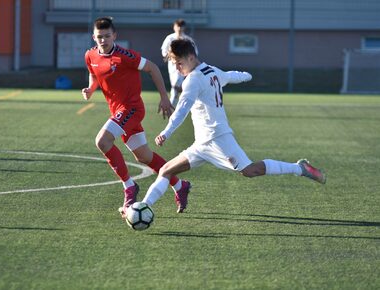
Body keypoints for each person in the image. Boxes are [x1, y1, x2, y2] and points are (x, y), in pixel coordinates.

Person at [142, 39, 326, 212]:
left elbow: (182, 110)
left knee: (250, 171)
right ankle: (142, 207)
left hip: (218, 138)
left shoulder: (193, 80)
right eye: (174, 63)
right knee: (166, 170)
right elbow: (230, 76)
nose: (176, 67)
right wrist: (246, 76)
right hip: (201, 144)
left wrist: (166, 133)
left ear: (191, 57)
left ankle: (300, 168)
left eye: (179, 63)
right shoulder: (211, 70)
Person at [81, 17, 191, 216]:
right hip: (118, 112)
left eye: (107, 36)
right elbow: (94, 73)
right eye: (100, 37)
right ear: (94, 37)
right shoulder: (90, 55)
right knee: (144, 156)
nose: (103, 40)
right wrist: (91, 88)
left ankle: (129, 187)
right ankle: (180, 185)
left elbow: (153, 68)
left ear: (115, 35)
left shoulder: (126, 56)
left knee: (103, 141)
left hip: (131, 109)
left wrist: (164, 98)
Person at [161, 19, 197, 107]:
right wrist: (173, 57)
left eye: (181, 26)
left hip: (186, 67)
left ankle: (172, 106)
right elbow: (164, 52)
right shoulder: (170, 38)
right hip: (173, 67)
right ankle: (175, 105)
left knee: (178, 85)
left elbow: (195, 53)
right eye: (178, 26)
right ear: (174, 27)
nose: (180, 28)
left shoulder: (187, 39)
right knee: (176, 86)